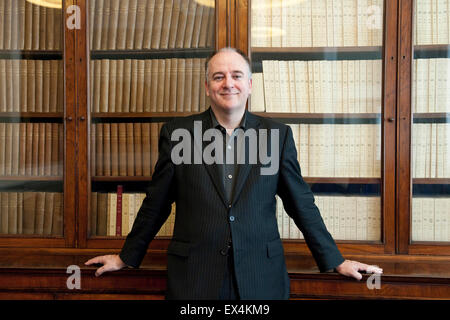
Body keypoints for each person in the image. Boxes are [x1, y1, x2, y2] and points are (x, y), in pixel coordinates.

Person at [85, 47, 382, 299]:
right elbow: (156, 203)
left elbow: (300, 203)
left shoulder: (275, 137)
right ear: (207, 87)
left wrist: (335, 260)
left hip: (260, 278)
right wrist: (126, 257)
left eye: (237, 76)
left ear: (250, 84)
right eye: (219, 76)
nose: (229, 83)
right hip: (195, 278)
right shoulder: (178, 134)